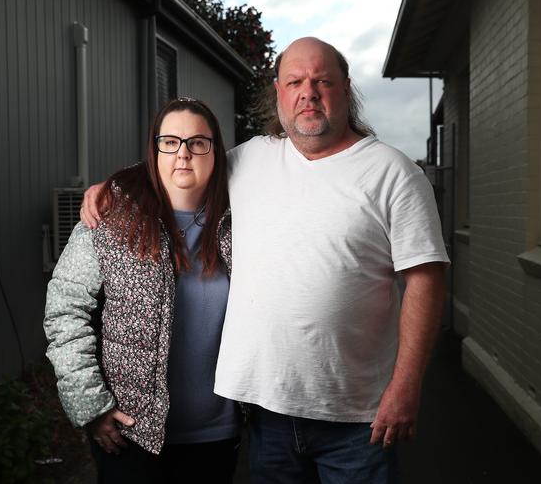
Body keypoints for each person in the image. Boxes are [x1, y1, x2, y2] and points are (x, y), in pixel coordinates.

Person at [81, 37, 449, 483]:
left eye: (322, 81)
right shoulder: (252, 158)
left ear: (346, 89)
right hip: (267, 417)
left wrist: (406, 387)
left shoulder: (394, 174)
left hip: (358, 419)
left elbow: (425, 282)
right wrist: (116, 186)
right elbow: (185, 161)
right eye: (295, 81)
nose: (308, 92)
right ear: (278, 92)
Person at [44, 97, 240, 484]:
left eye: (198, 143)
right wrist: (91, 407)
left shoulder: (243, 221)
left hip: (217, 436)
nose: (183, 154)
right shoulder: (110, 217)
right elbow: (65, 311)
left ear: (216, 152)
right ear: (154, 150)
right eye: (170, 142)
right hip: (130, 434)